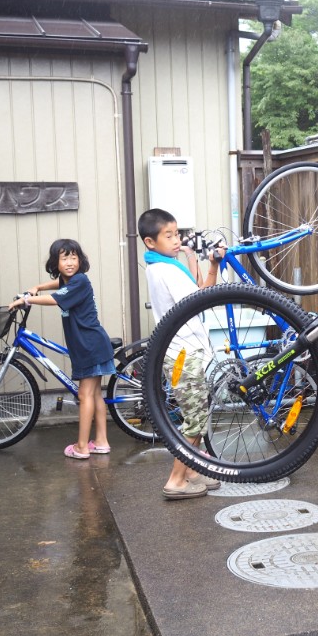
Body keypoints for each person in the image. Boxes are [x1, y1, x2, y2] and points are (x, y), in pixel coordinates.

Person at [138, 208, 223, 500]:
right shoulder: (165, 270)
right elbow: (201, 299)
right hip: (184, 356)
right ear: (151, 242)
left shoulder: (160, 266)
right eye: (169, 235)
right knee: (195, 418)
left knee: (194, 412)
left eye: (177, 234)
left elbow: (199, 292)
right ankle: (176, 479)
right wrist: (200, 262)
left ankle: (192, 471)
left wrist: (207, 264)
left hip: (181, 354)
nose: (176, 240)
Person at [8, 239, 115, 459]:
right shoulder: (70, 281)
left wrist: (28, 300)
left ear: (80, 260)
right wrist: (37, 287)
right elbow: (58, 285)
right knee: (95, 395)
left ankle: (82, 447)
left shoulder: (80, 281)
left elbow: (56, 299)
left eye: (73, 257)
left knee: (85, 396)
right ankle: (102, 441)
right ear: (56, 263)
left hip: (89, 345)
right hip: (91, 344)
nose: (69, 262)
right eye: (64, 258)